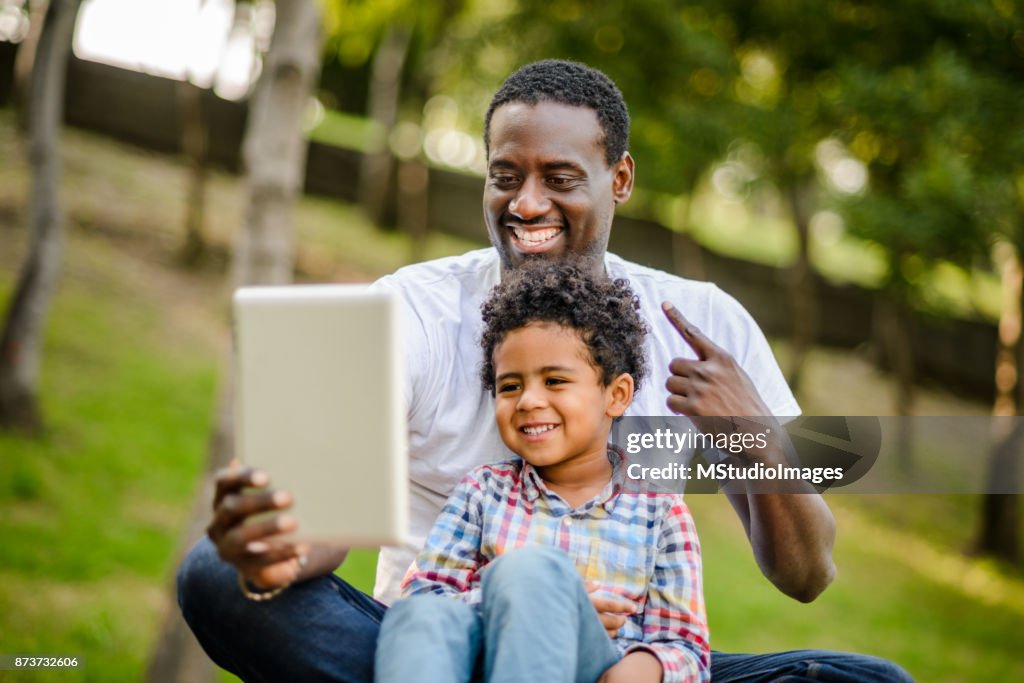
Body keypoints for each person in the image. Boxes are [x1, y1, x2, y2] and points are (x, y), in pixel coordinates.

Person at [178, 59, 913, 682]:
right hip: (437, 644)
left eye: (559, 177)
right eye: (506, 176)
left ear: (619, 177)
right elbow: (330, 517)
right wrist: (274, 547)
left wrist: (753, 434)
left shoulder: (703, 324)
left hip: (622, 661)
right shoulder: (414, 311)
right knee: (216, 575)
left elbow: (807, 574)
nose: (526, 204)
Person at [375, 260, 709, 683]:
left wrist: (642, 670)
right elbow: (428, 594)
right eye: (510, 386)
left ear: (616, 394)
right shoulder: (483, 492)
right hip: (481, 662)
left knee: (530, 572)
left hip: (596, 668)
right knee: (420, 616)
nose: (528, 400)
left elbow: (686, 650)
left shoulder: (659, 513)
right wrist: (533, 604)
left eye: (554, 381)